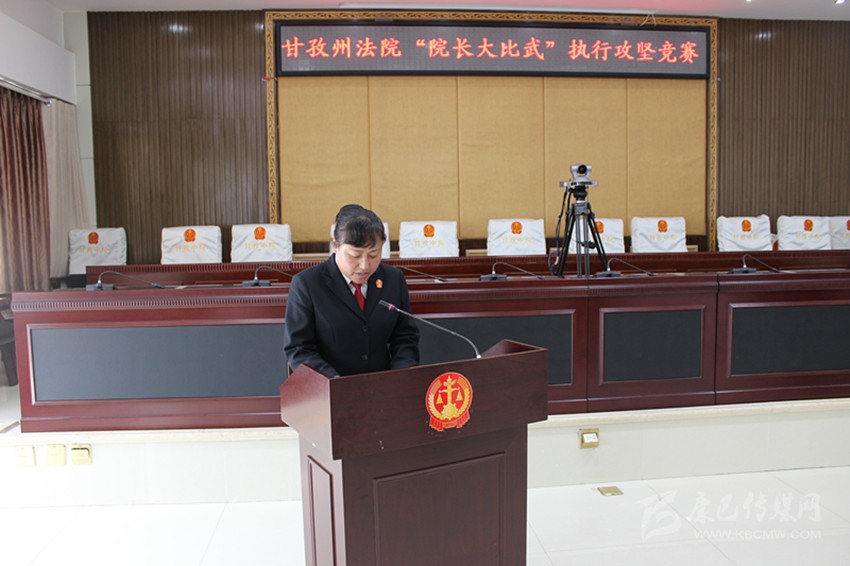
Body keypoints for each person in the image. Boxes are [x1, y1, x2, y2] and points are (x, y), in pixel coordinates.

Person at [283, 204, 420, 377]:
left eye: (373, 255)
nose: (364, 265)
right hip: (329, 387)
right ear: (335, 245)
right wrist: (335, 383)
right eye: (355, 256)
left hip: (383, 386)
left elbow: (405, 337)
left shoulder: (393, 279)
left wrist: (399, 377)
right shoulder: (307, 284)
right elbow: (299, 348)